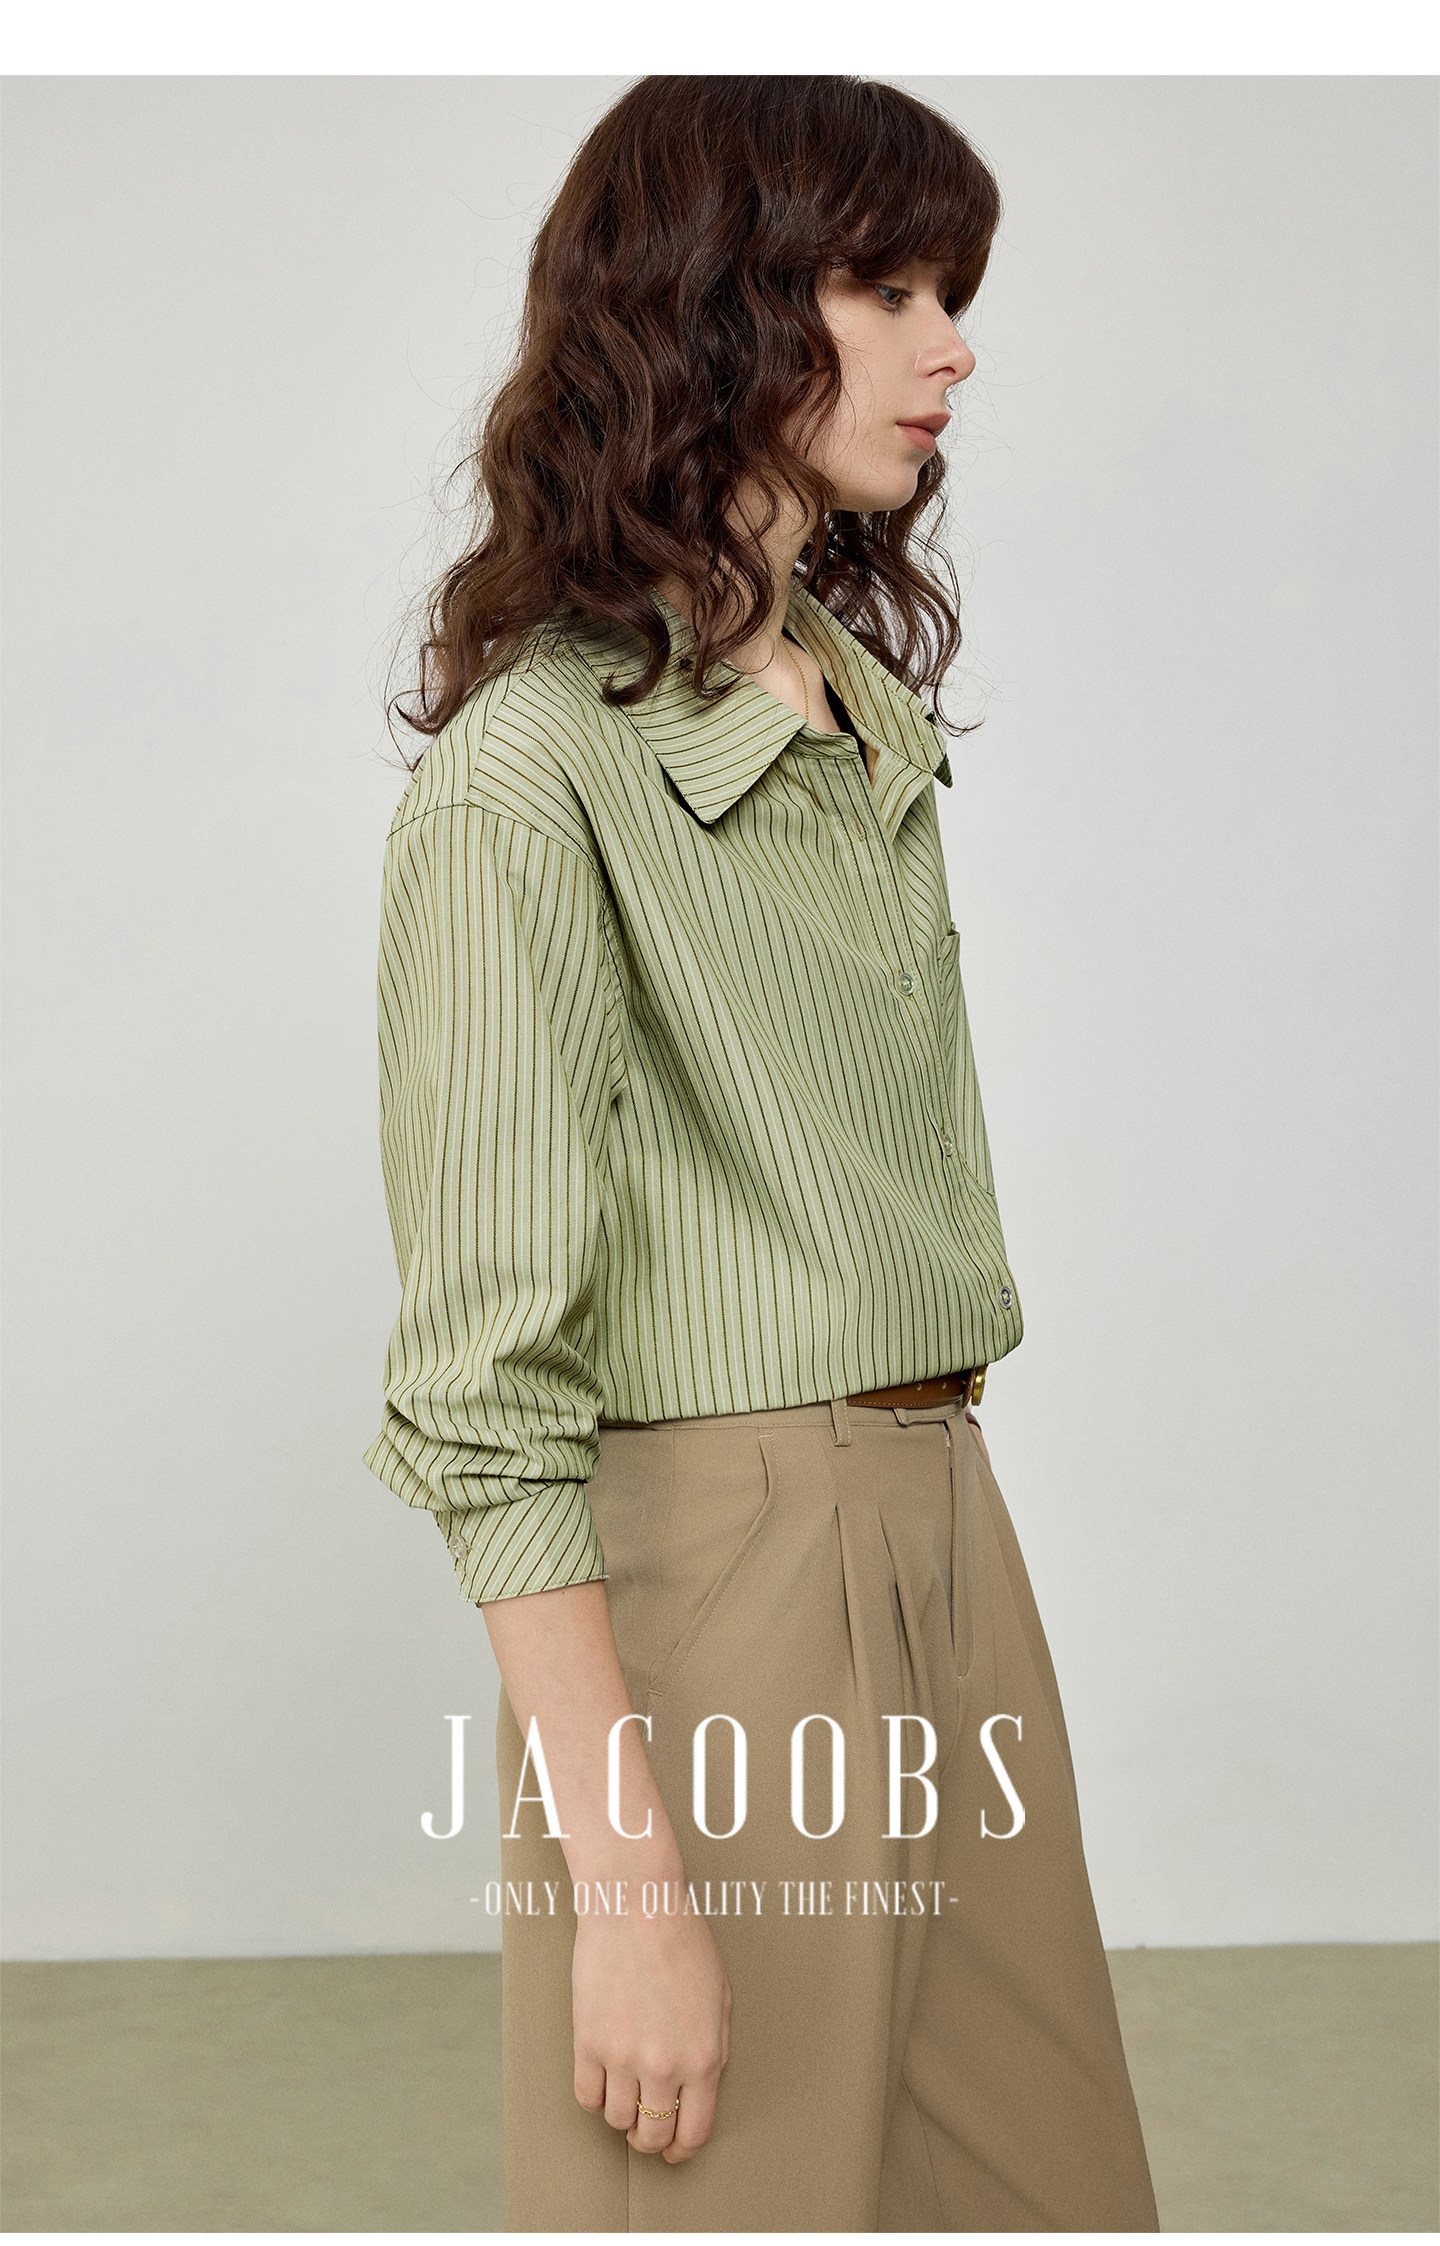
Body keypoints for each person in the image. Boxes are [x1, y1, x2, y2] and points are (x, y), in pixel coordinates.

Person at [364, 73, 1159, 2233]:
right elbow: (486, 1395)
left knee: (1049, 2192)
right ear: (713, 307)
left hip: (943, 1514)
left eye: (952, 292)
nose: (951, 346)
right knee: (735, 2194)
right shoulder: (532, 778)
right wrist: (626, 1885)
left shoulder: (850, 715)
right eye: (887, 290)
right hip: (727, 1576)